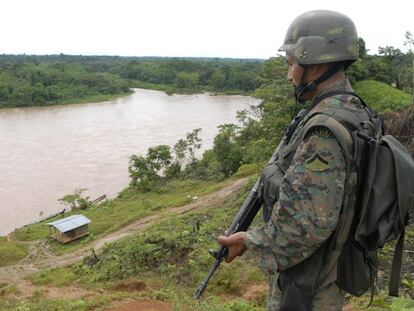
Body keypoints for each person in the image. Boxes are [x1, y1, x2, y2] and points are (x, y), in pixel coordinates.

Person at [217, 10, 372, 311]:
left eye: (291, 64)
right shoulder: (353, 110)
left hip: (309, 288)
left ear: (313, 64)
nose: (289, 75)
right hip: (328, 268)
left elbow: (306, 225)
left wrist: (250, 241)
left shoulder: (324, 130)